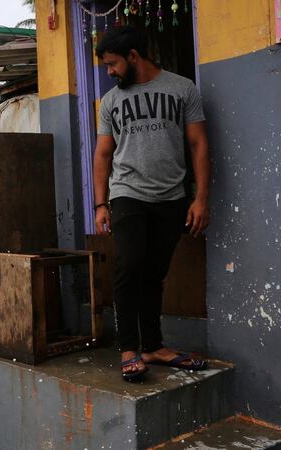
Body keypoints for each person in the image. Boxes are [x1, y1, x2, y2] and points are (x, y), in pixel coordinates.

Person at [92, 27, 211, 381]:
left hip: (172, 197)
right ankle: (130, 349)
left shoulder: (182, 88)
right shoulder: (111, 101)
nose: (110, 72)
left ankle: (154, 347)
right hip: (127, 193)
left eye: (112, 64)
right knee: (129, 266)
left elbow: (199, 145)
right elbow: (102, 153)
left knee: (154, 274)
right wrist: (101, 204)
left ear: (133, 55)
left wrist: (200, 198)